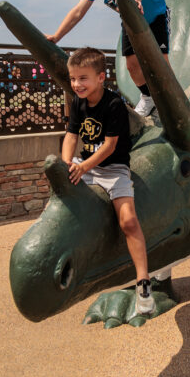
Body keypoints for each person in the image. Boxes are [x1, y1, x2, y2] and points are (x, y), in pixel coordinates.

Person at [62, 47, 155, 315]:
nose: (77, 84)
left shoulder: (114, 104)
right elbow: (71, 136)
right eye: (73, 79)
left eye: (83, 78)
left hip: (113, 169)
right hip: (86, 166)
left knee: (128, 221)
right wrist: (67, 162)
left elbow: (110, 146)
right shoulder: (77, 102)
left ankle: (143, 280)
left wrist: (84, 167)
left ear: (101, 77)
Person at [46, 0, 170, 117]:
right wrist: (56, 36)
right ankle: (148, 97)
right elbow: (79, 11)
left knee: (161, 62)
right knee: (132, 65)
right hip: (130, 20)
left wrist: (134, 1)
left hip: (155, 17)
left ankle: (170, 98)